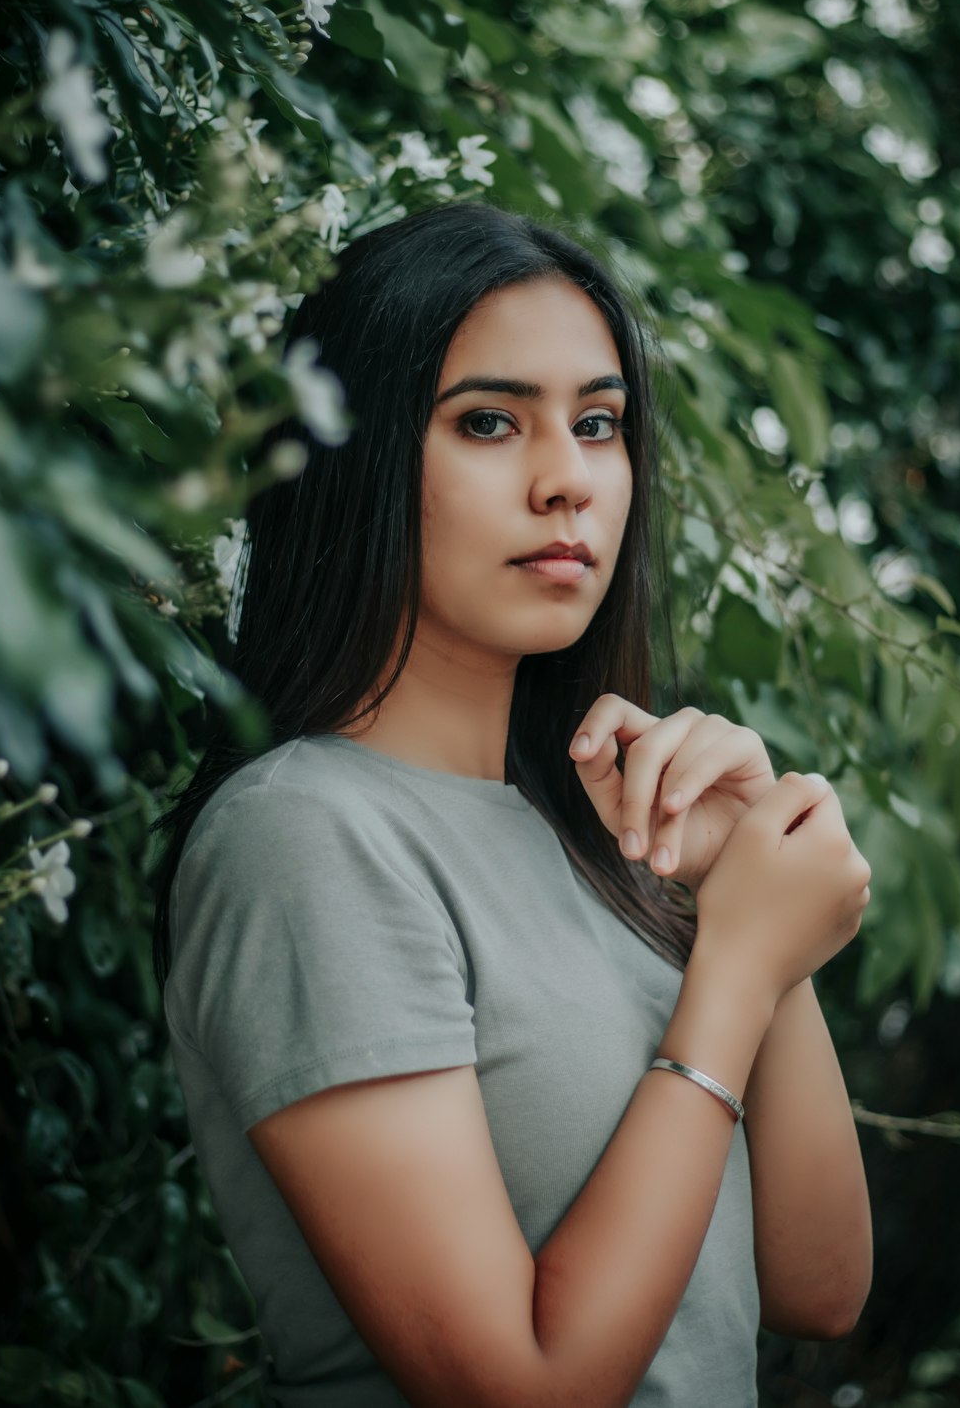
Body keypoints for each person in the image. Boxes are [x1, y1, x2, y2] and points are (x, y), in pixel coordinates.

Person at [152, 200, 873, 1408]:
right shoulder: (304, 837)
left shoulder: (597, 830)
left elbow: (818, 1288)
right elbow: (519, 1389)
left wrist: (749, 904)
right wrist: (737, 969)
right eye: (489, 422)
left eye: (599, 424)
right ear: (356, 451)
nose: (569, 483)